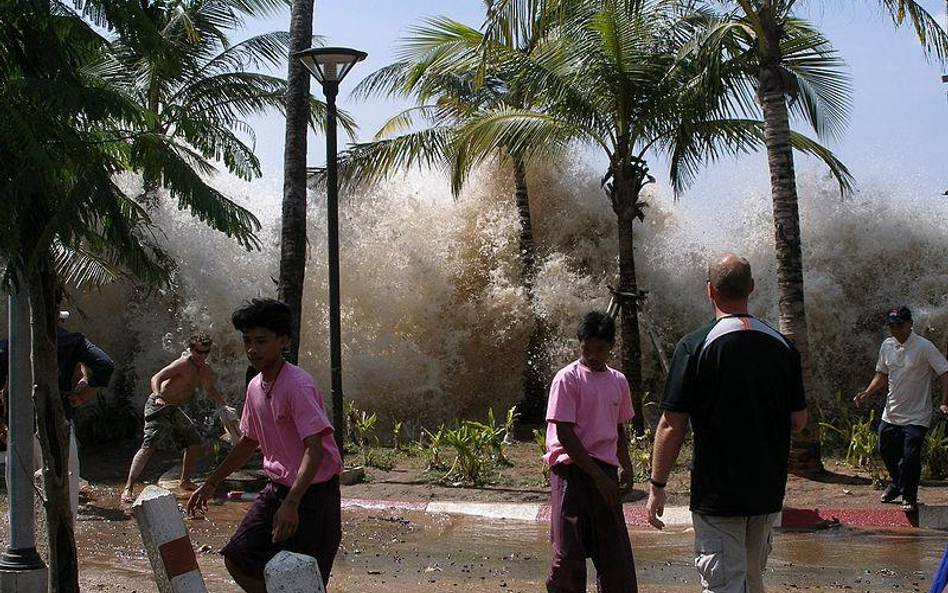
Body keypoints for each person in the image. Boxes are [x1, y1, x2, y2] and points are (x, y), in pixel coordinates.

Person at [646, 253, 808, 593]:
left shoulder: (695, 346)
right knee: (752, 580)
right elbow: (798, 421)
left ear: (710, 290)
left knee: (723, 586)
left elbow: (672, 425)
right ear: (751, 287)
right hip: (766, 492)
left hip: (718, 494)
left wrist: (657, 485)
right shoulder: (783, 346)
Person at [187, 299, 343, 593]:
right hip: (276, 489)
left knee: (303, 578)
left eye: (261, 341)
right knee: (238, 558)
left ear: (284, 341)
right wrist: (211, 483)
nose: (252, 349)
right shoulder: (255, 386)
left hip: (313, 494)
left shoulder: (298, 385)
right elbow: (249, 441)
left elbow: (315, 449)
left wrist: (292, 503)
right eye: (248, 341)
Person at [542, 310, 637, 593]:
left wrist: (626, 466)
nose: (593, 356)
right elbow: (565, 434)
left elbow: (618, 427)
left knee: (615, 556)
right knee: (568, 554)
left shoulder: (618, 381)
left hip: (605, 471)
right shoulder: (567, 379)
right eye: (587, 349)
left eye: (600, 349)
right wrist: (598, 478)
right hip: (571, 472)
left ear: (611, 347)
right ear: (580, 344)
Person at [854, 305, 948, 512]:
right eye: (892, 326)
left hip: (917, 414)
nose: (896, 330)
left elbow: (945, 372)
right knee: (885, 449)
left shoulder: (924, 347)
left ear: (910, 324)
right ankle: (897, 484)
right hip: (892, 412)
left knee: (910, 456)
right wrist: (867, 392)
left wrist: (944, 401)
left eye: (900, 325)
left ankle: (909, 497)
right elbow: (882, 373)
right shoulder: (887, 345)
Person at [121, 332, 228, 503]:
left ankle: (185, 481)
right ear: (191, 350)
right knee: (148, 447)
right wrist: (158, 396)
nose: (202, 356)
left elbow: (210, 389)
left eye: (206, 352)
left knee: (195, 442)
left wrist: (224, 406)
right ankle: (128, 488)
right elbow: (157, 377)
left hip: (174, 409)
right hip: (158, 406)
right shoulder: (183, 363)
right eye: (199, 352)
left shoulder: (204, 369)